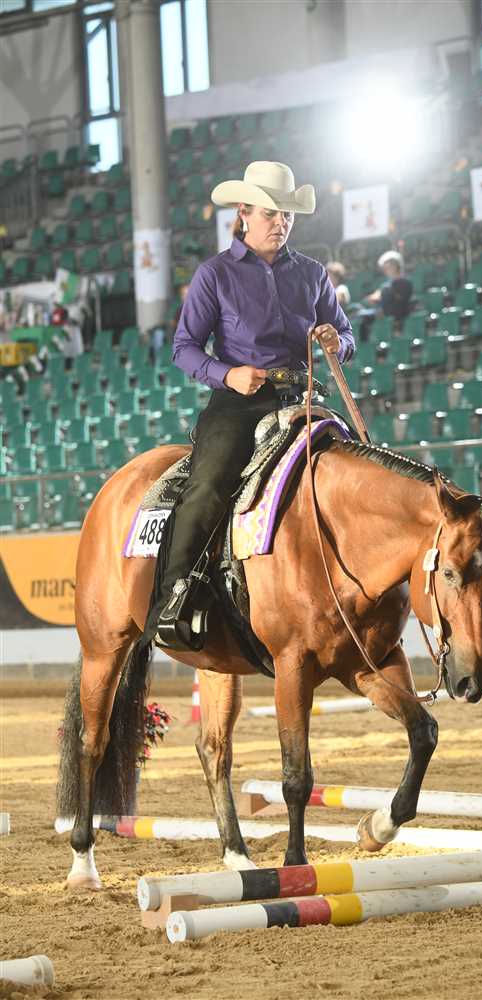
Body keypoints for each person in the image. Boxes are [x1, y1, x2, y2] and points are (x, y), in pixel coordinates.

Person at [143, 161, 355, 652]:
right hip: (238, 400)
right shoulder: (214, 274)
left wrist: (336, 342)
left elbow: (347, 335)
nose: (281, 222)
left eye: (287, 215)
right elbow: (184, 348)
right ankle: (176, 594)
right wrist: (227, 374)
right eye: (270, 214)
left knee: (355, 467)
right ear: (243, 213)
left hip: (302, 397)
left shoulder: (312, 273)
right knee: (210, 481)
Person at [364, 250, 413, 322]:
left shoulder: (404, 283)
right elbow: (374, 297)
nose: (385, 271)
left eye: (388, 267)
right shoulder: (387, 284)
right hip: (386, 316)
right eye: (384, 268)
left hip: (395, 319)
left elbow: (398, 303)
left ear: (395, 266)